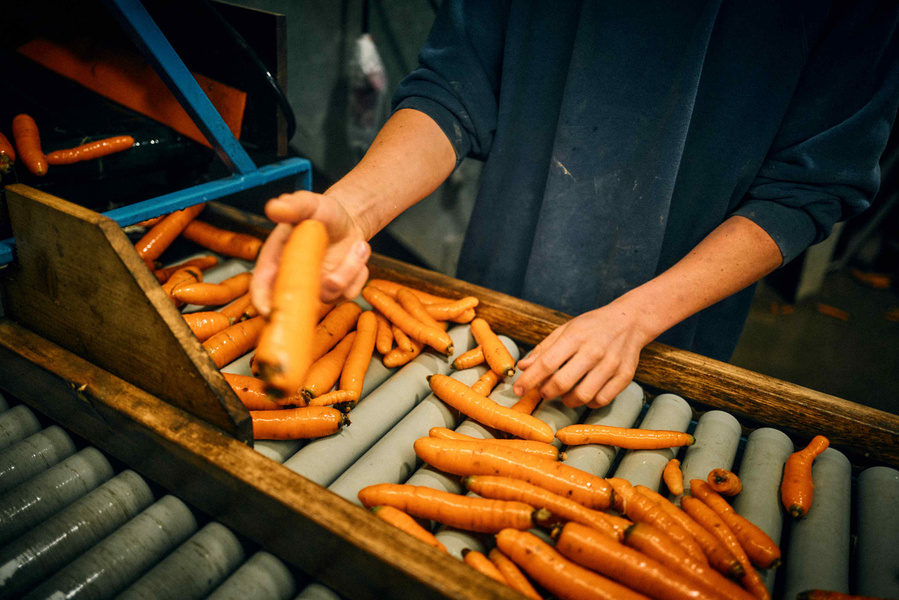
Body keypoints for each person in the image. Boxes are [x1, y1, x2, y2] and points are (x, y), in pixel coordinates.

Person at [252, 0, 899, 410]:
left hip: (671, 329)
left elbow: (808, 185)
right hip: (494, 295)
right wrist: (354, 209)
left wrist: (637, 319)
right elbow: (456, 90)